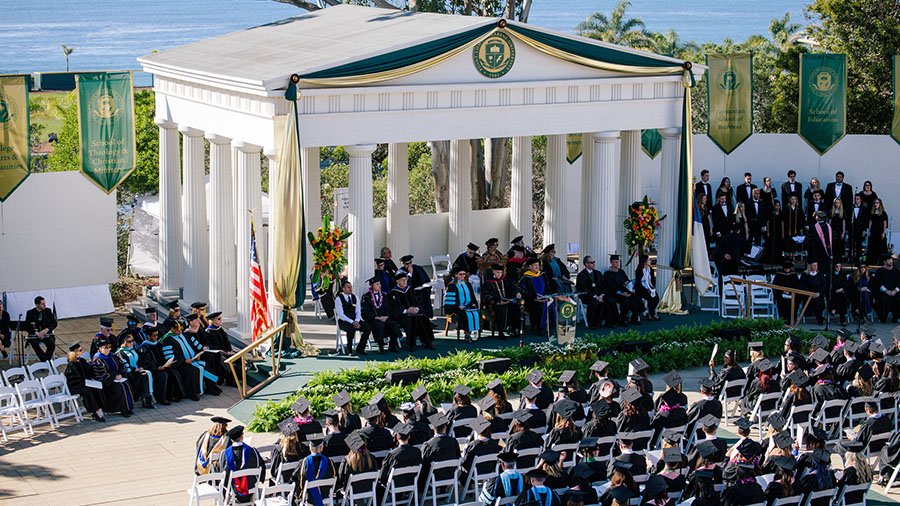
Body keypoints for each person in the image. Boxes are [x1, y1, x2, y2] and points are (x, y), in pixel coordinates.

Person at [219, 425, 266, 503]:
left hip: (233, 489)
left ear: (231, 439)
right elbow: (261, 466)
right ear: (241, 437)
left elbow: (223, 473)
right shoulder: (252, 451)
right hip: (251, 487)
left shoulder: (225, 454)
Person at [389, 272, 435, 351]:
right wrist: (407, 311)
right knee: (411, 320)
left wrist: (416, 308)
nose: (405, 282)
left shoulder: (410, 289)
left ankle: (428, 342)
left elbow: (418, 302)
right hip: (402, 315)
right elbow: (394, 308)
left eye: (405, 280)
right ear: (397, 281)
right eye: (402, 280)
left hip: (414, 312)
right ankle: (410, 344)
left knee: (424, 318)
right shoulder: (393, 292)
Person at [91, 338, 134, 417]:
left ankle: (128, 408)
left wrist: (121, 374)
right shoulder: (97, 359)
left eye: (109, 347)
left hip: (116, 379)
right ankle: (123, 410)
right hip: (105, 382)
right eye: (106, 348)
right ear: (100, 349)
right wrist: (114, 377)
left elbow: (121, 366)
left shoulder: (112, 356)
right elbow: (101, 374)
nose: (108, 350)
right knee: (120, 387)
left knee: (126, 384)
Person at [378, 423, 422, 499]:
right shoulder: (417, 451)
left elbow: (383, 476)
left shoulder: (392, 454)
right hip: (411, 483)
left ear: (397, 437)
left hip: (394, 485)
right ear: (409, 436)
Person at [136, 327, 179, 404]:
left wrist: (167, 364)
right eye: (154, 335)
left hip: (162, 367)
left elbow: (163, 356)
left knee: (172, 372)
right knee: (163, 375)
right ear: (148, 337)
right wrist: (157, 368)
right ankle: (161, 398)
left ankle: (170, 395)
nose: (156, 337)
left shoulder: (159, 344)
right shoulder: (143, 348)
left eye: (157, 335)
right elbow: (145, 362)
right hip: (152, 370)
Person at [64, 342, 106, 421]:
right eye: (80, 350)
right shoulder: (71, 364)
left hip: (86, 383)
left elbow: (89, 371)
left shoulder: (82, 360)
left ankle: (100, 408)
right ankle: (95, 411)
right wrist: (83, 382)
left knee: (96, 388)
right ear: (75, 352)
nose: (82, 351)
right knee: (88, 391)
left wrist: (92, 379)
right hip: (76, 386)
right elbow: (71, 379)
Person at [159, 325, 201, 401]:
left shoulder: (185, 335)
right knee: (192, 370)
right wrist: (184, 360)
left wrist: (197, 354)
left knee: (205, 365)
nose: (180, 331)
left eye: (181, 329)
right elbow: (171, 357)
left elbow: (195, 346)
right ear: (172, 328)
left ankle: (211, 387)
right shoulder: (167, 339)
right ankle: (191, 393)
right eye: (178, 330)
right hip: (179, 364)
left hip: (192, 360)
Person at [420, 412, 461, 490]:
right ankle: (443, 489)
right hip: (450, 474)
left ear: (433, 428)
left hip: (433, 477)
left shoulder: (428, 444)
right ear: (445, 427)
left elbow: (423, 462)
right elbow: (458, 456)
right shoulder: (453, 441)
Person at [482, 263, 522, 339]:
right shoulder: (488, 282)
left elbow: (514, 287)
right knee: (502, 309)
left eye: (500, 272)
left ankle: (514, 329)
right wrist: (498, 301)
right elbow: (486, 294)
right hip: (495, 303)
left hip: (508, 301)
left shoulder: (506, 279)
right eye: (497, 272)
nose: (499, 274)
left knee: (515, 308)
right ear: (493, 271)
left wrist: (517, 293)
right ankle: (501, 331)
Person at [115, 333, 154, 409]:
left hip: (137, 372)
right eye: (129, 341)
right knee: (145, 375)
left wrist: (141, 367)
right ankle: (147, 398)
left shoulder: (134, 350)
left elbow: (140, 361)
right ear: (124, 342)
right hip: (130, 375)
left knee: (146, 374)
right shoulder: (120, 353)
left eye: (132, 341)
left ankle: (147, 398)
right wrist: (135, 370)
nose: (132, 343)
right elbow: (124, 366)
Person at [361, 277, 400, 353]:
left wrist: (386, 317)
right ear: (372, 286)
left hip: (384, 317)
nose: (380, 286)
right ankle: (381, 346)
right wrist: (376, 317)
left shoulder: (385, 295)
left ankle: (392, 344)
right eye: (377, 284)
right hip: (373, 319)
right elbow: (366, 311)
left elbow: (389, 307)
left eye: (380, 284)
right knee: (379, 325)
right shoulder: (366, 297)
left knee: (393, 324)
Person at [334, 280, 373, 356]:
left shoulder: (355, 298)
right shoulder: (339, 299)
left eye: (351, 287)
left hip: (355, 320)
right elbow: (341, 314)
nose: (350, 289)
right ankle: (349, 349)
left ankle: (360, 348)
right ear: (343, 289)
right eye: (348, 287)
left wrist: (357, 321)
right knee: (351, 329)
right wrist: (352, 322)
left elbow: (358, 311)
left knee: (367, 328)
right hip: (344, 321)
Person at [576, 256, 616, 329]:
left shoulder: (598, 273)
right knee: (594, 303)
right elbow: (584, 289)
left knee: (611, 300)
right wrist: (595, 297)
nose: (594, 264)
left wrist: (601, 295)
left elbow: (603, 286)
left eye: (594, 262)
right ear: (586, 264)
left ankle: (610, 322)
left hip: (600, 295)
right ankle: (593, 324)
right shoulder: (581, 275)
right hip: (588, 296)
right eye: (591, 262)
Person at [603, 254, 644, 326]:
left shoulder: (621, 272)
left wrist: (630, 290)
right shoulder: (607, 274)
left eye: (618, 262)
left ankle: (634, 318)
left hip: (625, 292)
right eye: (616, 262)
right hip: (615, 294)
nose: (618, 263)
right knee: (625, 301)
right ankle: (623, 319)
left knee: (637, 298)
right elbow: (610, 287)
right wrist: (621, 293)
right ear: (611, 263)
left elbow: (627, 282)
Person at [444, 266, 481, 342]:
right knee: (465, 315)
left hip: (468, 306)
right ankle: (467, 334)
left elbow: (472, 296)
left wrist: (473, 303)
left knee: (475, 313)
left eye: (464, 274)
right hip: (456, 308)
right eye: (460, 274)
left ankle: (474, 332)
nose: (462, 276)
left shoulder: (467, 284)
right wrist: (458, 306)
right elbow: (450, 300)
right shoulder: (452, 285)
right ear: (456, 275)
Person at [297, 435, 336, 505]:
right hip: (324, 495)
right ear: (321, 448)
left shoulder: (304, 462)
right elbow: (334, 477)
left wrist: (298, 496)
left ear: (310, 448)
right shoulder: (329, 462)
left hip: (310, 497)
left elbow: (300, 481)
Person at [519, 257, 550, 335]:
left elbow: (547, 287)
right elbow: (523, 291)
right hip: (531, 300)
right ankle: (539, 328)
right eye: (535, 265)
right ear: (530, 267)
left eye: (538, 265)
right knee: (538, 307)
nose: (537, 267)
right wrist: (535, 298)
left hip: (543, 298)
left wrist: (546, 296)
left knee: (551, 305)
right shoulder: (526, 277)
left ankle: (548, 327)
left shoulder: (542, 275)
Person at [25, 296, 57, 361]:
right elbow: (27, 326)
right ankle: (45, 360)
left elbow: (54, 323)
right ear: (37, 304)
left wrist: (47, 329)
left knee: (52, 344)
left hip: (46, 333)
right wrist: (37, 333)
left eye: (45, 303)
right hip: (35, 335)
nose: (44, 305)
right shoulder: (30, 313)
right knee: (35, 344)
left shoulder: (48, 311)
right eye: (42, 304)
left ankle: (44, 361)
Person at [872, 255, 900, 323]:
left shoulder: (896, 271)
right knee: (884, 298)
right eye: (888, 260)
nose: (891, 261)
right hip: (884, 291)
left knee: (898, 298)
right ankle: (883, 317)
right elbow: (879, 283)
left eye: (891, 260)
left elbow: (899, 282)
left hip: (895, 291)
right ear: (884, 262)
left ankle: (895, 318)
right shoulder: (880, 271)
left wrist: (895, 290)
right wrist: (886, 290)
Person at [634, 255, 660, 321]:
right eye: (649, 260)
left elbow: (652, 281)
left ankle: (650, 312)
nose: (650, 261)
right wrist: (646, 289)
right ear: (645, 262)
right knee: (650, 297)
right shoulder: (639, 270)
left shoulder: (651, 270)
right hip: (641, 288)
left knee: (656, 298)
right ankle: (652, 314)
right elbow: (638, 283)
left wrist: (652, 289)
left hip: (649, 287)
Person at [800, 261, 826, 325]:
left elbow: (824, 284)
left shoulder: (820, 274)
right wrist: (810, 293)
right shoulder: (805, 274)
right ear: (810, 266)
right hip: (808, 294)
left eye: (816, 265)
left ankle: (819, 318)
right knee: (815, 301)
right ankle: (820, 318)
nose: (816, 267)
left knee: (818, 300)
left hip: (818, 294)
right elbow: (802, 285)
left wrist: (819, 292)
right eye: (814, 265)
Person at [866, 199, 889, 265]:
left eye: (877, 202)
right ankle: (872, 262)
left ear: (880, 204)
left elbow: (885, 223)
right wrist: (869, 231)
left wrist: (884, 232)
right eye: (875, 203)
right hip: (873, 232)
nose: (876, 204)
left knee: (881, 247)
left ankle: (881, 262)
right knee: (873, 247)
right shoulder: (872, 213)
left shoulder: (883, 213)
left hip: (880, 232)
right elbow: (870, 222)